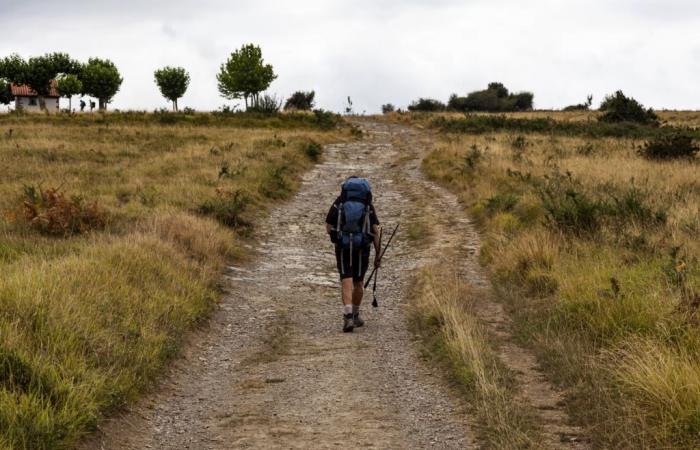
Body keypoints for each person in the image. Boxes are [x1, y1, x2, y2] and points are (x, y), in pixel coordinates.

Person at [325, 176, 381, 332]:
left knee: (346, 279)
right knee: (358, 282)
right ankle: (355, 315)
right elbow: (375, 231)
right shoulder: (367, 205)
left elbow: (329, 227)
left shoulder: (340, 202)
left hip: (343, 246)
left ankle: (348, 316)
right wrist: (378, 254)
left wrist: (338, 238)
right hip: (362, 246)